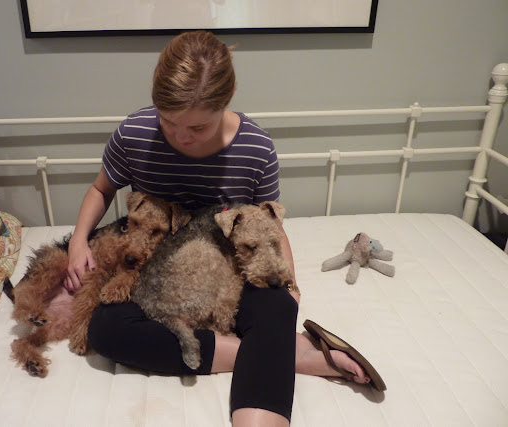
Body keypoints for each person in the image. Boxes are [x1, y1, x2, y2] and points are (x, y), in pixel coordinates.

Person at [64, 30, 372, 427]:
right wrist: (78, 241)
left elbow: (269, 225)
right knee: (106, 330)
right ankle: (288, 354)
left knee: (278, 305)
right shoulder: (134, 132)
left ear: (229, 98)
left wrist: (290, 285)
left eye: (198, 127)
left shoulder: (256, 147)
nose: (181, 136)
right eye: (168, 121)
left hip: (231, 265)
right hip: (152, 265)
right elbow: (101, 189)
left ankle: (270, 350)